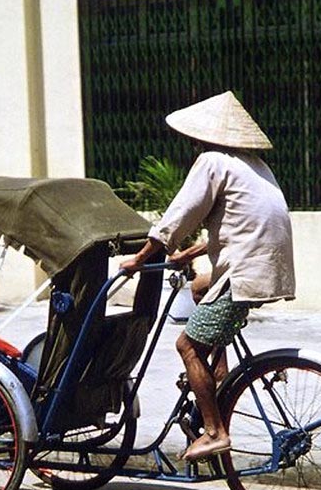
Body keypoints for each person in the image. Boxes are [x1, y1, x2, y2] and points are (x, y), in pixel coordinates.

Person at [120, 91, 295, 461]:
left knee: (186, 345)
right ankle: (218, 373)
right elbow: (239, 229)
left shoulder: (212, 161)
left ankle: (215, 431)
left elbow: (180, 215)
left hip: (244, 270)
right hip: (265, 267)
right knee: (200, 288)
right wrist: (188, 253)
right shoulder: (255, 166)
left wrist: (139, 258)